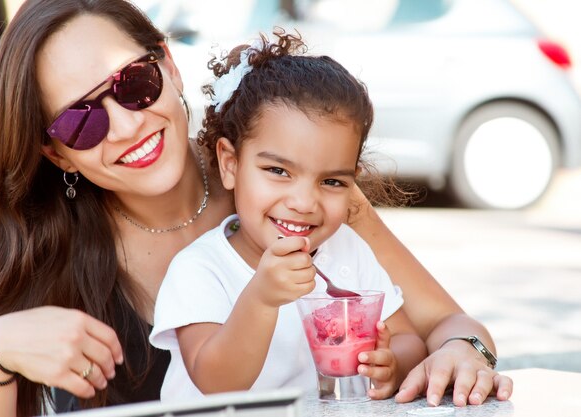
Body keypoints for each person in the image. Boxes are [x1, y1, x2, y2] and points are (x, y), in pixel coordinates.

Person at [0, 0, 512, 415]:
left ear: (169, 67)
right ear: (58, 153)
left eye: (134, 84)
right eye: (82, 119)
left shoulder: (303, 196)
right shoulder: (50, 250)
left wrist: (461, 354)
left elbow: (447, 325)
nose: (126, 126)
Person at [149, 30, 428, 400]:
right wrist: (261, 299)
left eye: (331, 181)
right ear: (230, 164)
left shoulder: (346, 251)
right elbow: (215, 381)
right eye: (278, 172)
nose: (304, 202)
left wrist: (390, 361)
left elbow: (410, 339)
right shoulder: (201, 269)